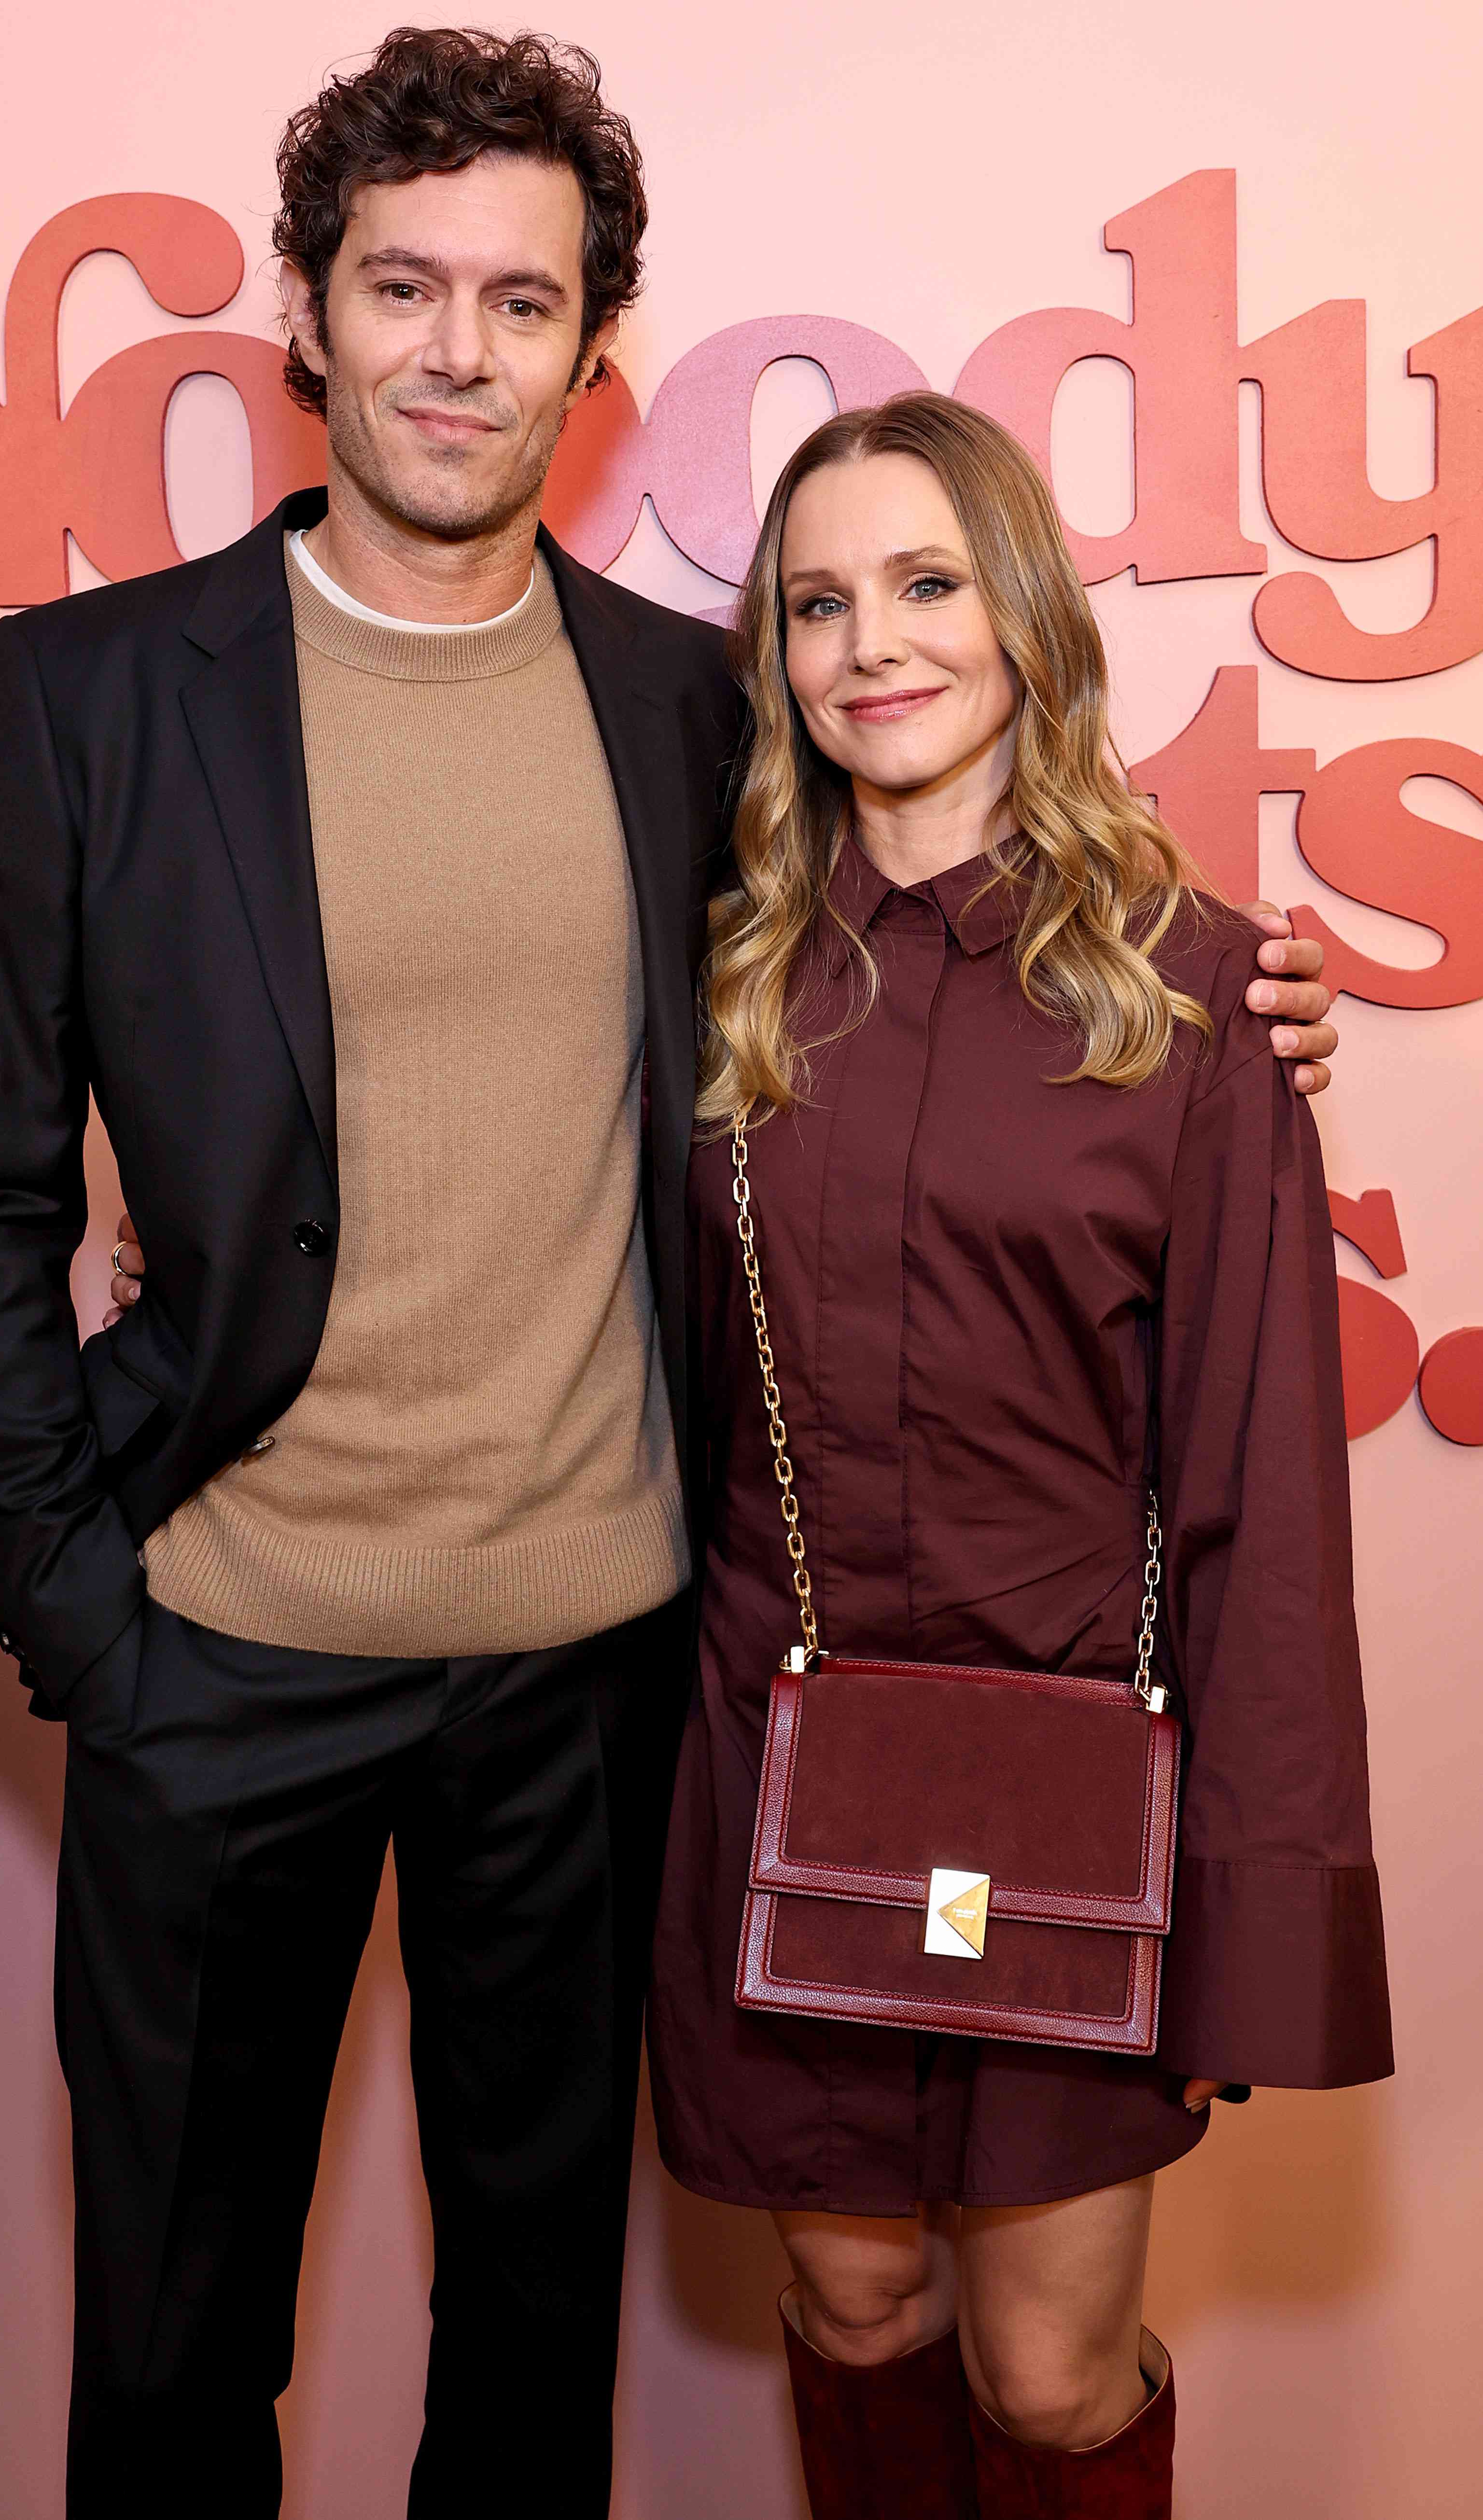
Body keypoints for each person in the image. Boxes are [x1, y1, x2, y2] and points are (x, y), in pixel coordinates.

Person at [0, 25, 1338, 2520]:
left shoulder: (692, 715)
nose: (461, 346)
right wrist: (81, 1624)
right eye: (405, 286)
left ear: (591, 348)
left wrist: (1237, 977)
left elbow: (948, 919)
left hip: (588, 1696)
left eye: (521, 298)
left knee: (533, 2351)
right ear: (310, 320)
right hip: (217, 1653)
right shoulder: (91, 698)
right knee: (167, 2348)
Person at [644, 393, 1393, 2519]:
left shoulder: (1206, 1000)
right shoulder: (715, 984)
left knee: (1050, 2377)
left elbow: (1260, 1502)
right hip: (770, 1771)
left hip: (1070, 1821)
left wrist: (1244, 1916)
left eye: (926, 582)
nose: (872, 642)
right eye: (816, 601)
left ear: (1026, 618)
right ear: (775, 658)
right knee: (860, 2303)